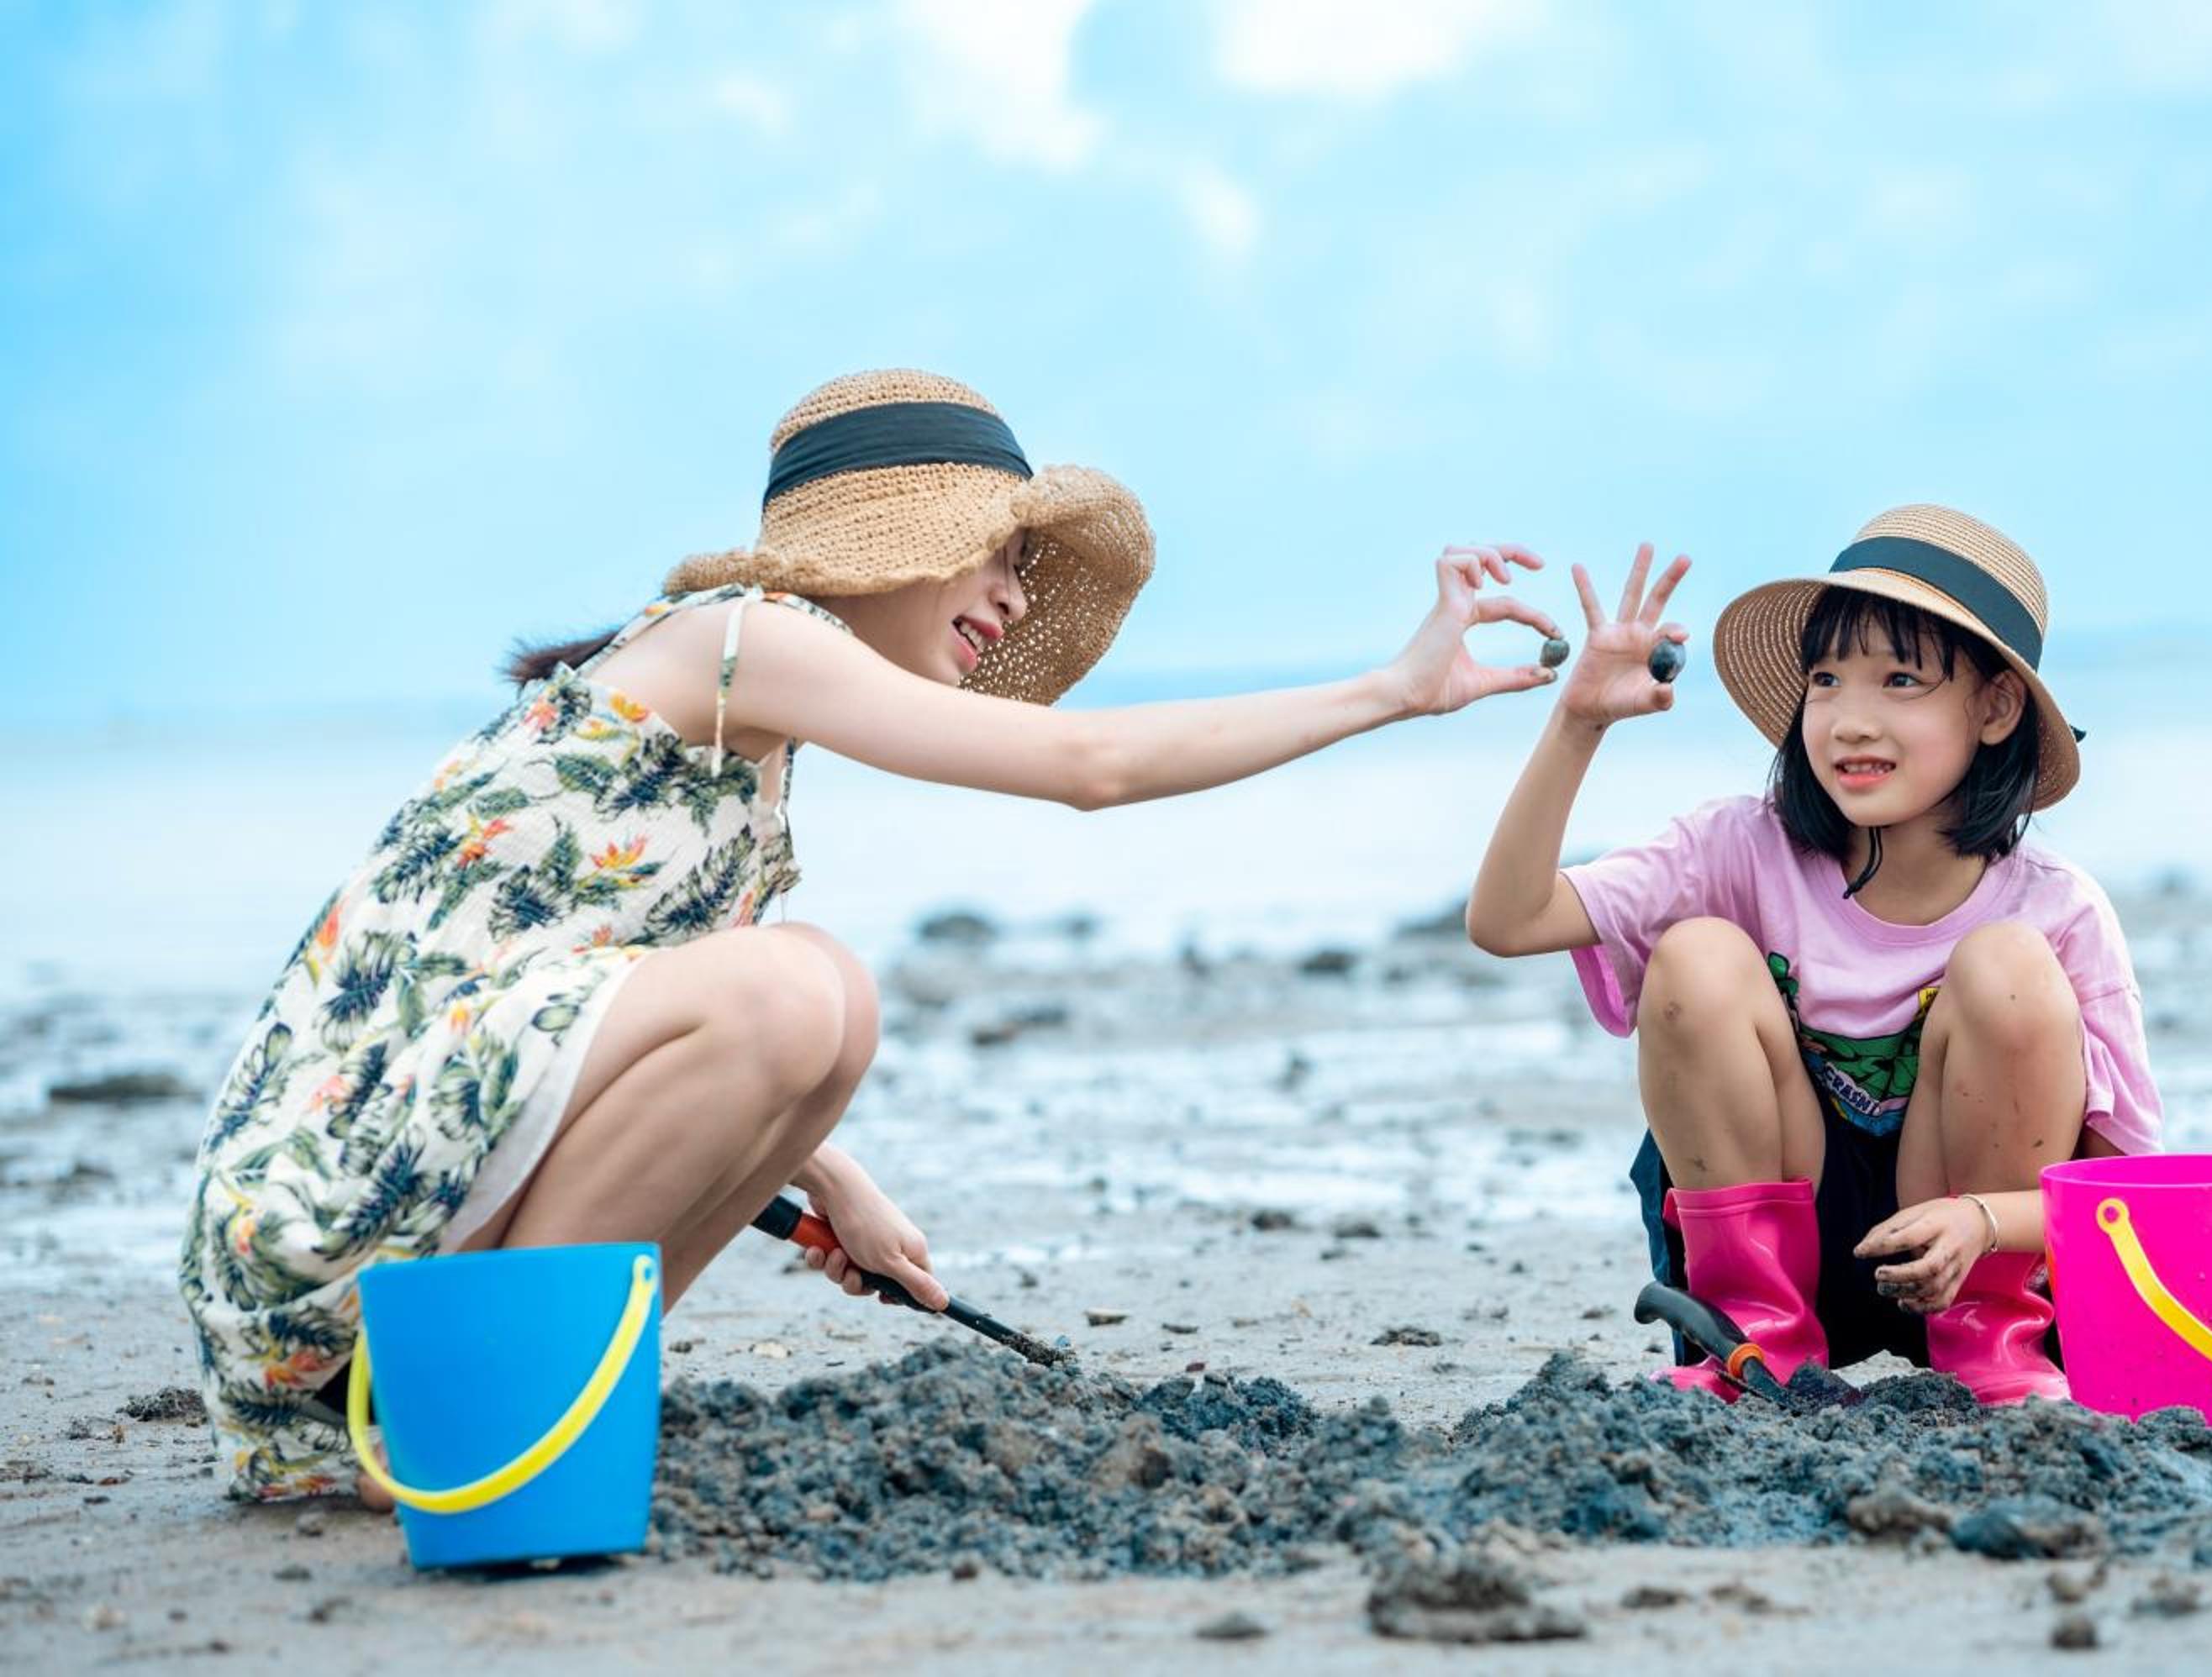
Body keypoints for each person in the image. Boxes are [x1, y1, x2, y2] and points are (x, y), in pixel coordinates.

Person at [183, 368, 1564, 1501]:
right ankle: (483, 1433)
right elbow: (1091, 769)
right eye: (1000, 557)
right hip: (307, 1222)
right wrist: (1392, 690)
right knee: (807, 991)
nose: (1016, 599)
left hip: (395, 1196)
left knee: (822, 1023)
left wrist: (821, 1169)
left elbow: (595, 1008)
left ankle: (513, 1417)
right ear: (890, 538)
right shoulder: (743, 636)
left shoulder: (750, 740)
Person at [1464, 507, 2162, 1404]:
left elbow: (2123, 1200)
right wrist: (1578, 723)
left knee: (2011, 970)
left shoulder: (2057, 907)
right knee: (1696, 955)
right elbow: (1508, 920)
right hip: (1786, 1238)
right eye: (1827, 679)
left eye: (1901, 680)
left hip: (1978, 1250)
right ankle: (1755, 1337)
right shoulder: (1741, 848)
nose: (1850, 722)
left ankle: (1993, 1350)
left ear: (1995, 708)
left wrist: (1984, 1221)